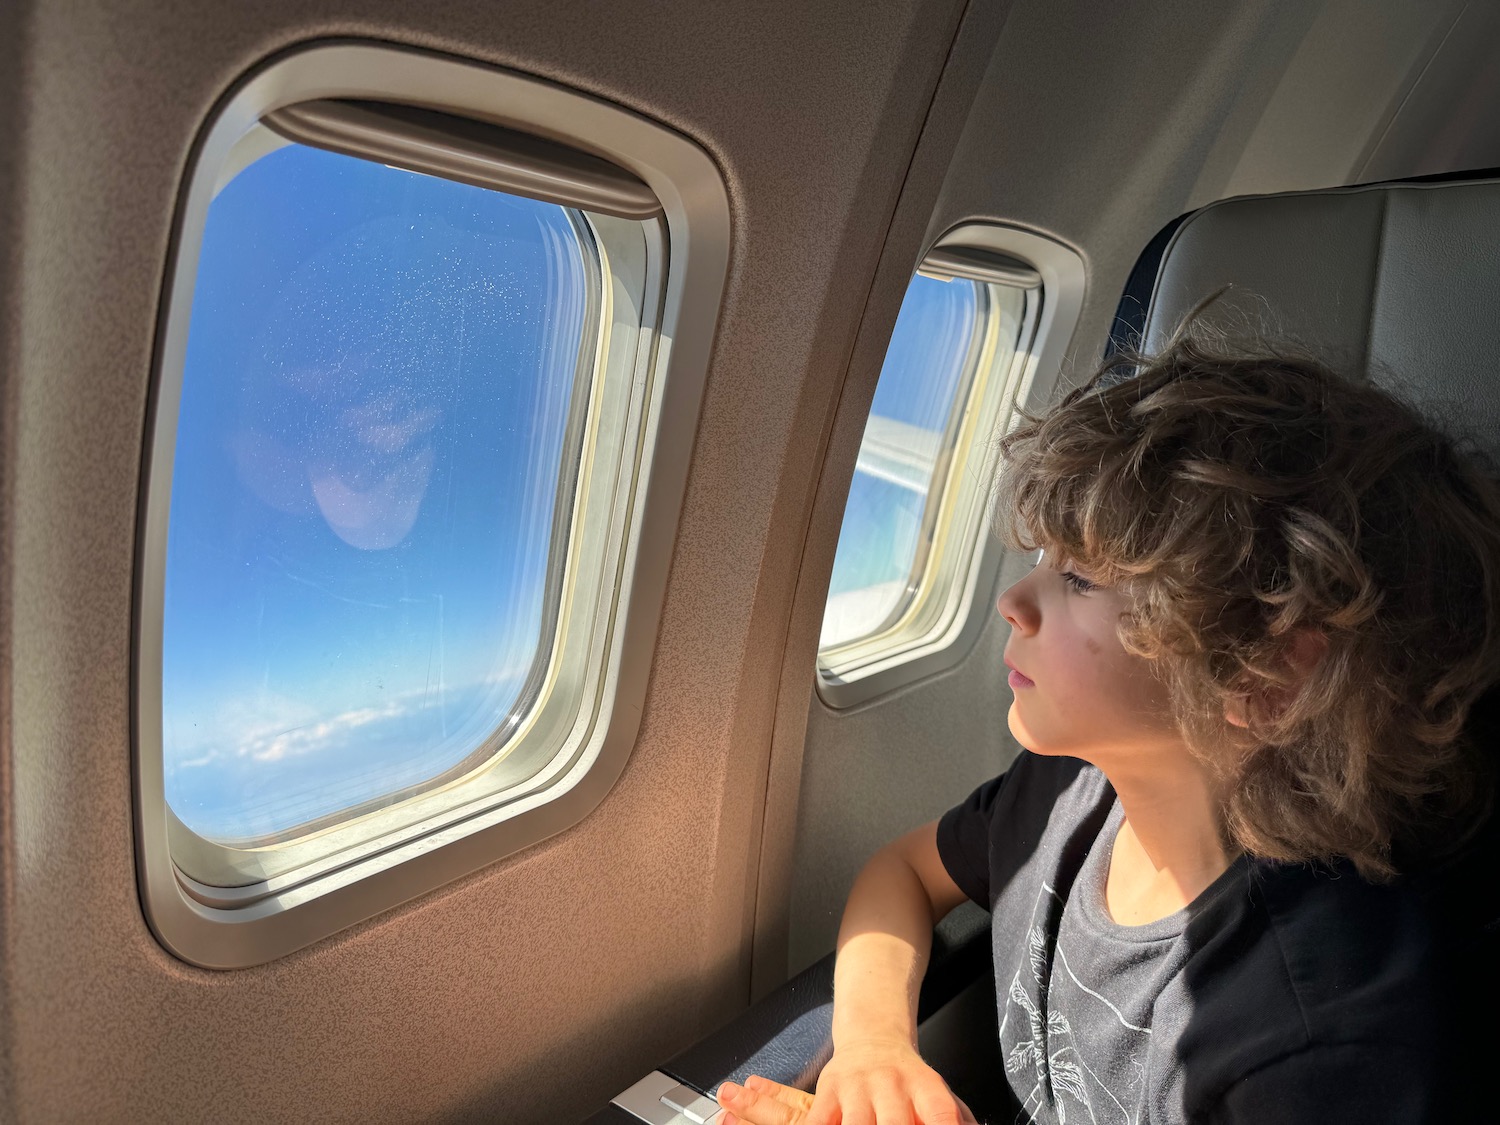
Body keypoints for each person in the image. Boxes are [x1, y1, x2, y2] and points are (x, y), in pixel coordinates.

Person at [714, 321, 1500, 1124]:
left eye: (1080, 578)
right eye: (1044, 561)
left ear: (1267, 676)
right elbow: (906, 871)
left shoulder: (1316, 1046)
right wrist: (877, 1046)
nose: (1012, 603)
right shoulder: (1072, 786)